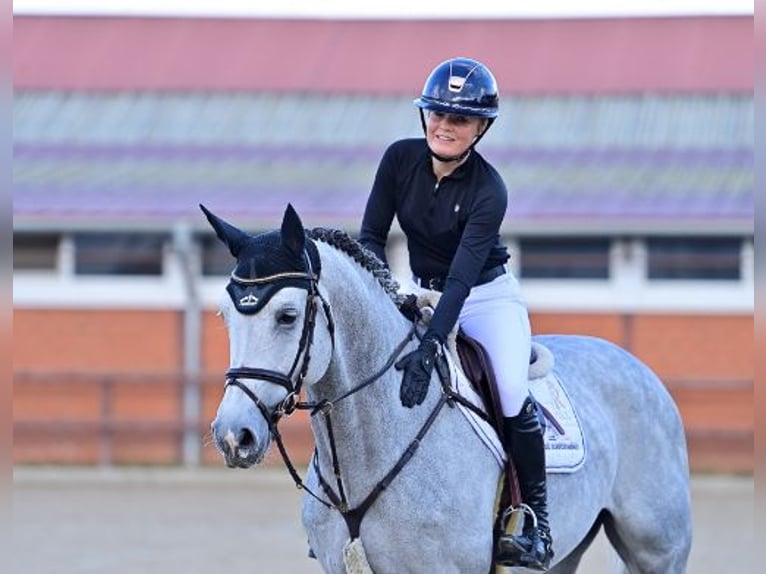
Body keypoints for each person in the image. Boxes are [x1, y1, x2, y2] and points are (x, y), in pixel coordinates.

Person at [358, 57, 554, 570]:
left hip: (485, 299)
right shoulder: (398, 160)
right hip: (416, 291)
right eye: (437, 113)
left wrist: (430, 344)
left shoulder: (491, 190)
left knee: (510, 391)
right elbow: (371, 237)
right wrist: (387, 294)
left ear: (481, 127)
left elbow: (464, 279)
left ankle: (536, 521)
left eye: (460, 118)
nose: (445, 125)